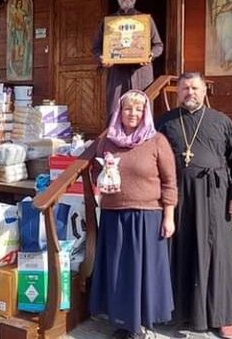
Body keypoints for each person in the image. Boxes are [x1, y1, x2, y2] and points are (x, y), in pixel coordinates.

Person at [155, 72, 232, 339]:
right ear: (178, 92)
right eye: (184, 88)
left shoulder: (221, 121)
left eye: (195, 88)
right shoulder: (165, 122)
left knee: (217, 255)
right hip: (178, 199)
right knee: (179, 252)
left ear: (204, 90)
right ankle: (176, 312)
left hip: (214, 198)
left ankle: (223, 316)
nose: (189, 93)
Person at [89, 89, 177, 339]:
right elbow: (95, 171)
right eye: (128, 108)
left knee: (142, 271)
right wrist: (102, 176)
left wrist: (168, 216)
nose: (133, 114)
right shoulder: (107, 139)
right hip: (114, 213)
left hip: (146, 216)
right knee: (119, 269)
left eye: (138, 109)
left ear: (145, 113)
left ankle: (142, 324)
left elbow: (170, 181)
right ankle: (123, 321)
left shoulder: (156, 140)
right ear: (120, 111)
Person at [92, 0, 164, 117]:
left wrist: (150, 55)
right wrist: (102, 58)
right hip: (117, 76)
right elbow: (96, 48)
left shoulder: (146, 20)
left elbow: (158, 45)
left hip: (141, 74)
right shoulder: (108, 22)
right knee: (115, 112)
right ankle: (114, 139)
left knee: (142, 110)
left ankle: (143, 139)